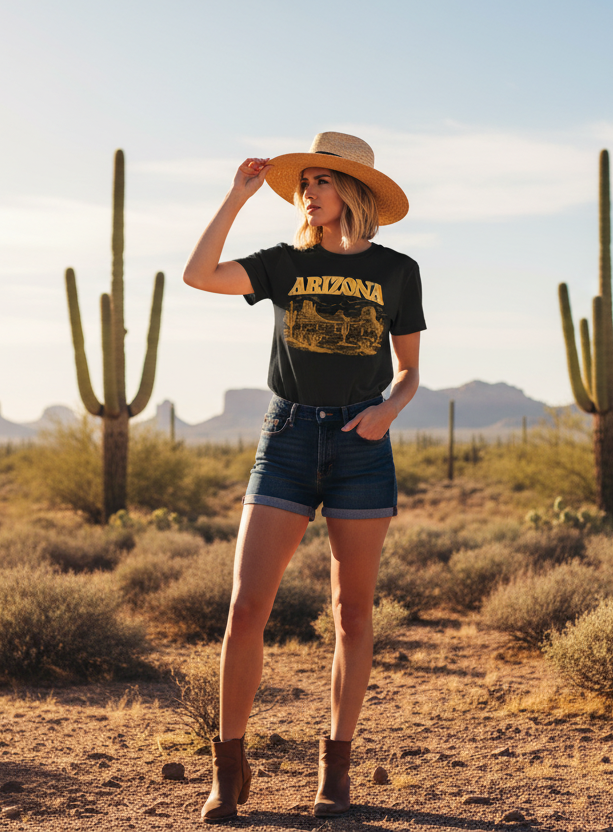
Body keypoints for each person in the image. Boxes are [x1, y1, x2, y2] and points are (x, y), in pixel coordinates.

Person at [182, 132, 425, 822]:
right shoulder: (285, 264)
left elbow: (408, 371)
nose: (308, 193)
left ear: (353, 192)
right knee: (245, 608)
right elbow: (199, 275)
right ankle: (228, 772)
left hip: (360, 445)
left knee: (352, 613)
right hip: (288, 438)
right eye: (303, 184)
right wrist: (238, 195)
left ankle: (336, 773)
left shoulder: (398, 270)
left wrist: (386, 413)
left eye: (321, 182)